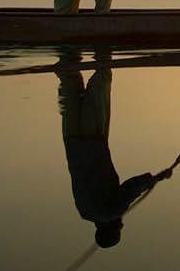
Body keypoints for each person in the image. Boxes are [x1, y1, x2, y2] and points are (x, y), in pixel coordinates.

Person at [56, 48, 171, 248]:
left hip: (93, 139)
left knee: (103, 77)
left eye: (119, 229)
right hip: (71, 138)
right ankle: (67, 35)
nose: (122, 225)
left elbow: (130, 189)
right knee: (69, 76)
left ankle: (102, 33)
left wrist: (154, 179)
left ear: (112, 228)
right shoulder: (84, 212)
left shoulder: (110, 212)